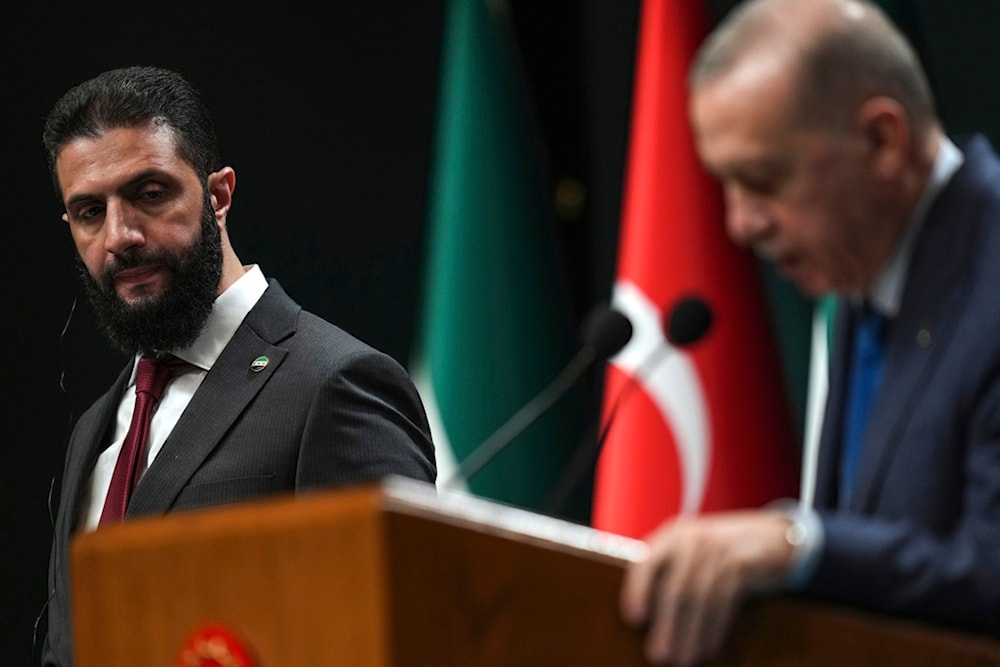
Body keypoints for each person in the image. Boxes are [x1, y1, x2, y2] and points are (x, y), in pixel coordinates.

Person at [618, 0, 1000, 664]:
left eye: (762, 181)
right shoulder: (864, 268)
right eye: (726, 186)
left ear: (882, 141)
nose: (741, 224)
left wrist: (799, 543)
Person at [38, 65, 436, 667]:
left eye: (150, 194)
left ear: (218, 195)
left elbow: (394, 640)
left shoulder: (338, 384)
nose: (120, 235)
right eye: (91, 212)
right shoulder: (95, 428)